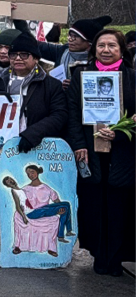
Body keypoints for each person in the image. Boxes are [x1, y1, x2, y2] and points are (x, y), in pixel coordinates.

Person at [0, 31, 69, 245]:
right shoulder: (0, 79)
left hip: (33, 147)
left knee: (23, 193)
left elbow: (59, 115)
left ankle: (21, 238)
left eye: (24, 55)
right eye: (14, 54)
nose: (17, 59)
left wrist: (33, 133)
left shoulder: (49, 84)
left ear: (35, 59)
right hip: (1, 146)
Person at [66, 29, 134, 276]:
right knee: (93, 205)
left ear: (121, 49)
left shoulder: (132, 77)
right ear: (93, 49)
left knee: (118, 206)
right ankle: (98, 254)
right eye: (101, 45)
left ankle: (115, 258)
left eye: (111, 46)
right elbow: (72, 111)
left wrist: (123, 132)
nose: (106, 50)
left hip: (122, 155)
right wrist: (78, 143)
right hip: (89, 152)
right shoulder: (80, 74)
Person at [3, 168, 74, 258]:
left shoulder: (41, 188)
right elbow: (18, 205)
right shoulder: (20, 190)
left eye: (32, 172)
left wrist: (58, 210)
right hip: (33, 212)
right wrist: (24, 216)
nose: (30, 175)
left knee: (66, 204)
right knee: (64, 207)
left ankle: (68, 231)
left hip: (40, 209)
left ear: (37, 172)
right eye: (28, 174)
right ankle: (61, 234)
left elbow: (57, 201)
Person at [14, 15, 112, 77]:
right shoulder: (62, 51)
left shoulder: (101, 61)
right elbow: (33, 43)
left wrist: (74, 87)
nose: (70, 39)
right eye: (70, 35)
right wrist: (18, 19)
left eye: (75, 37)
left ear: (89, 43)